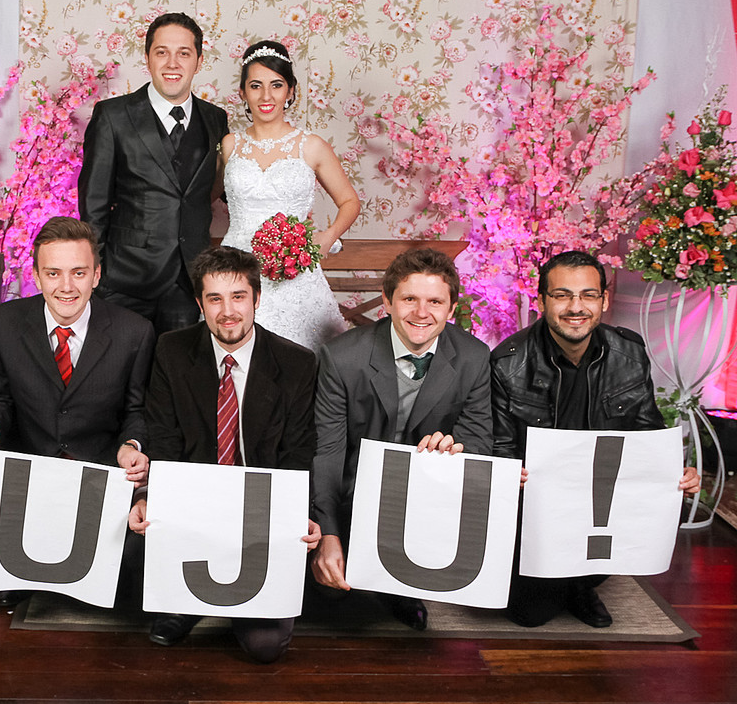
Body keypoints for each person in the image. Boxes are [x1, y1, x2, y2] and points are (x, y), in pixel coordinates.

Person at [130, 245, 320, 663]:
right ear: (200, 304)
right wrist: (148, 497)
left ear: (257, 299)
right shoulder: (171, 350)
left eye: (238, 297)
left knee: (265, 648)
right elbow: (164, 439)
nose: (228, 311)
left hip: (261, 512)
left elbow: (298, 452)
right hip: (193, 506)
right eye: (214, 299)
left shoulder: (296, 363)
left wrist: (299, 514)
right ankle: (188, 603)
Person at [0, 216, 155, 607]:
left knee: (138, 552)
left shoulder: (134, 331)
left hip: (97, 473)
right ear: (36, 276)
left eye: (78, 272)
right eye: (53, 273)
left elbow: (137, 410)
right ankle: (33, 573)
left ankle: (55, 574)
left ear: (96, 275)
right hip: (30, 473)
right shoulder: (1, 325)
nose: (66, 286)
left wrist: (131, 445)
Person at [491, 250, 701, 628]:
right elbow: (500, 446)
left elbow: (647, 431)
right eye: (562, 295)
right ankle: (557, 579)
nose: (576, 307)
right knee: (529, 614)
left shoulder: (629, 352)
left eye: (588, 295)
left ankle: (582, 583)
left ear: (604, 300)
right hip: (537, 502)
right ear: (542, 301)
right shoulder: (508, 362)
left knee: (577, 573)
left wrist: (676, 473)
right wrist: (510, 473)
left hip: (601, 495)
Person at [310, 247, 492, 630]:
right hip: (354, 493)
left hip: (424, 496)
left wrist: (454, 452)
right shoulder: (341, 358)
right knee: (334, 601)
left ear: (451, 307)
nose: (421, 312)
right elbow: (327, 452)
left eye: (434, 302)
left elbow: (478, 442)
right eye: (409, 299)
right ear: (388, 302)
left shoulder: (474, 358)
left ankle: (403, 588)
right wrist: (328, 532)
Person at [79, 12, 229, 334]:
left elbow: (230, 188)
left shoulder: (216, 119)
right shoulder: (113, 116)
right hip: (123, 280)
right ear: (147, 58)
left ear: (199, 61)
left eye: (184, 53)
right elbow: (93, 204)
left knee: (178, 365)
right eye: (162, 52)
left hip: (190, 280)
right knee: (120, 364)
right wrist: (96, 272)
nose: (172, 63)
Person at [220, 40, 361, 351]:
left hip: (294, 270)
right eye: (255, 86)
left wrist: (328, 237)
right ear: (242, 93)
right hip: (236, 267)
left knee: (302, 357)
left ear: (290, 91)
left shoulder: (311, 146)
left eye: (276, 85)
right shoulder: (229, 145)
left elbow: (350, 202)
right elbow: (201, 198)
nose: (266, 96)